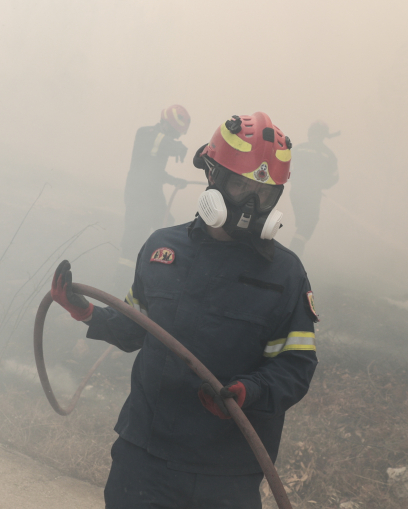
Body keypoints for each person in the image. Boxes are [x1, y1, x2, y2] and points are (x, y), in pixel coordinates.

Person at [51, 112, 319, 509]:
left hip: (226, 475)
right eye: (242, 185)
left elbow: (296, 366)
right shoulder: (163, 251)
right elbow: (134, 328)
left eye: (263, 194)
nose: (250, 203)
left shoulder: (287, 275)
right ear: (212, 176)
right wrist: (87, 313)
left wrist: (251, 391)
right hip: (144, 458)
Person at [113, 105, 191, 292]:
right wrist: (176, 146)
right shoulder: (146, 134)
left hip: (153, 195)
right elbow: (158, 141)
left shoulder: (161, 141)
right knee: (135, 234)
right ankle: (122, 282)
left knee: (167, 229)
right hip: (138, 195)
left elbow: (154, 171)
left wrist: (174, 180)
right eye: (174, 133)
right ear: (165, 124)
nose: (176, 137)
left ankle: (159, 273)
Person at [288, 120, 339, 257]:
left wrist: (294, 178)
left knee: (303, 222)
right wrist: (321, 184)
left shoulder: (298, 148)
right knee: (309, 222)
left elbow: (285, 165)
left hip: (295, 192)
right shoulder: (329, 154)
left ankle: (293, 251)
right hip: (312, 195)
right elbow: (334, 177)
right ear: (324, 135)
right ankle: (294, 253)